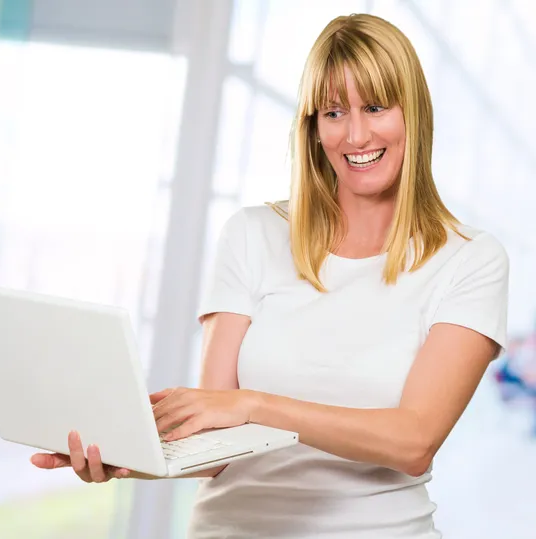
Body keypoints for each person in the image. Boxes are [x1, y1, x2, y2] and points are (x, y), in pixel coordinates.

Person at [30, 13, 509, 538]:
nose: (355, 134)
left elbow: (412, 442)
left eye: (375, 107)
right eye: (333, 112)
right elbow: (215, 450)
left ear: (412, 113)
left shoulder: (470, 260)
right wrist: (122, 451)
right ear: (313, 126)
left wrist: (254, 405)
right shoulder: (252, 235)